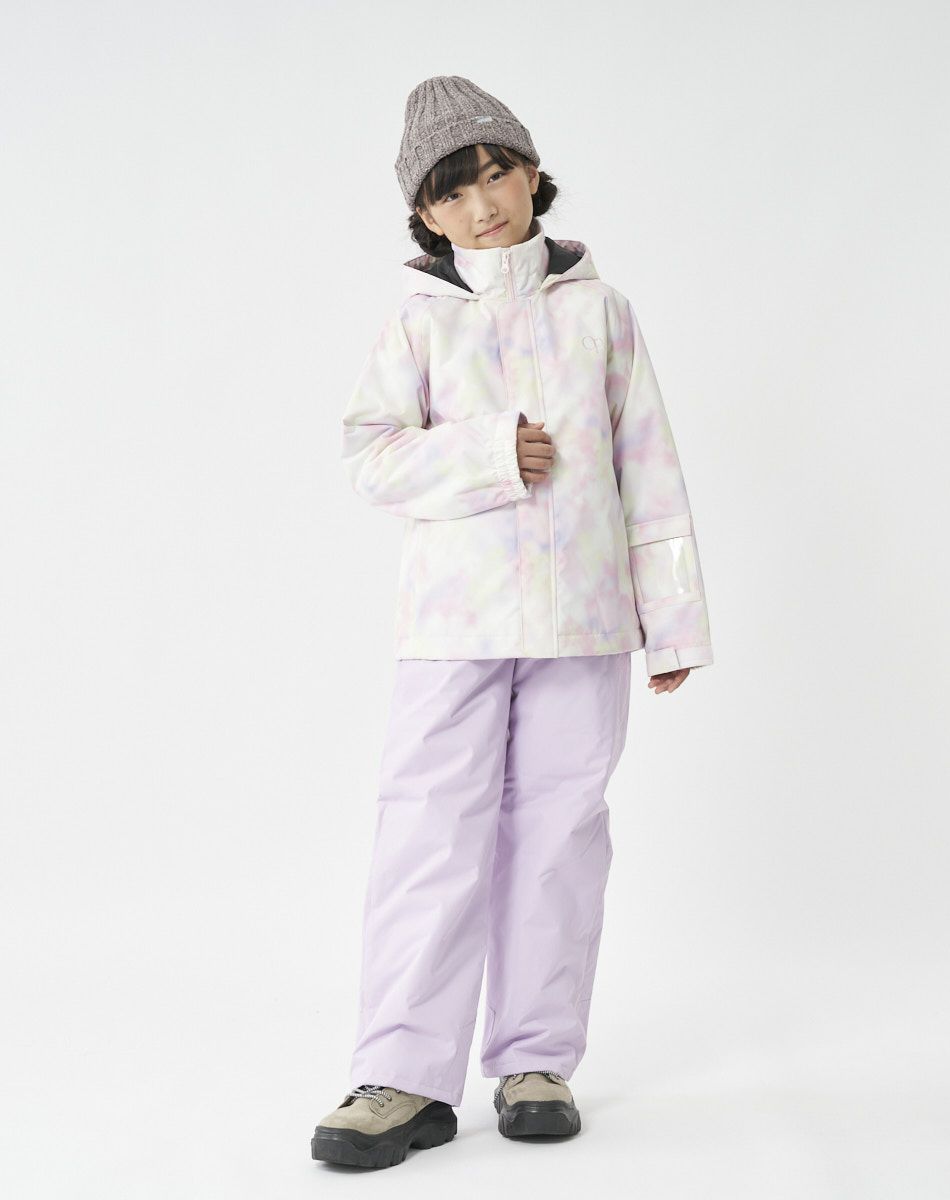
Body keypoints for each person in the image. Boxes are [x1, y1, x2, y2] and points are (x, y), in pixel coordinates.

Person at [311, 75, 715, 1170]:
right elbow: (368, 455)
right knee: (428, 836)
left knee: (559, 840)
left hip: (584, 623)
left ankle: (536, 1062)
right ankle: (402, 1076)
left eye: (496, 174)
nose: (483, 204)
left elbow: (650, 469)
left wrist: (672, 624)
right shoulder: (419, 320)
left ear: (533, 175)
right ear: (424, 214)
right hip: (454, 625)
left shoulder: (601, 312)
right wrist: (487, 453)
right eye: (453, 191)